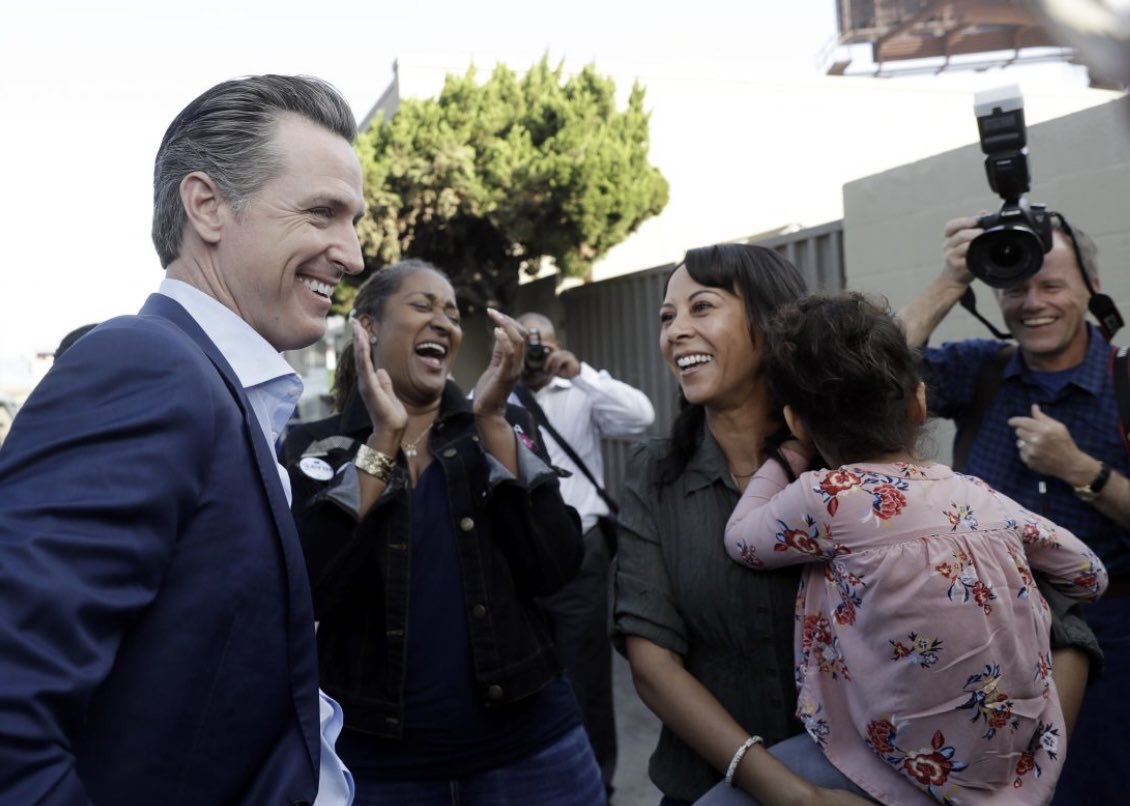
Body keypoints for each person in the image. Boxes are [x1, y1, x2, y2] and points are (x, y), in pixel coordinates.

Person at [0, 74, 364, 804]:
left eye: (354, 221)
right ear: (207, 206)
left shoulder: (216, 385)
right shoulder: (146, 365)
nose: (352, 254)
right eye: (322, 214)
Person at [698, 291, 1108, 805]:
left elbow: (743, 540)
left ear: (799, 422)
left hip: (899, 770)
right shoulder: (978, 496)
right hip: (1018, 769)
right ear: (919, 403)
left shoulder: (825, 496)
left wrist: (786, 457)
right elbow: (1090, 574)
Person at [282, 259, 606, 805]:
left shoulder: (501, 426)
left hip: (533, 753)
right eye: (423, 306)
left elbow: (556, 565)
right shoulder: (314, 449)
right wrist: (383, 441)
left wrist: (496, 421)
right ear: (368, 326)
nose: (445, 323)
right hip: (380, 770)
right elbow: (308, 588)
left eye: (453, 314)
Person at [613, 243, 868, 806]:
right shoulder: (656, 473)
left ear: (773, 323)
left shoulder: (853, 458)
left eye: (701, 308)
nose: (676, 331)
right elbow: (652, 661)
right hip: (707, 790)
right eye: (667, 316)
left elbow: (1048, 626)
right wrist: (791, 794)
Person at [898, 215, 1130, 803]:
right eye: (1016, 288)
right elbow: (870, 377)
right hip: (987, 641)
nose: (1033, 303)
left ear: (1092, 287)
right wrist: (951, 281)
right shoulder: (984, 369)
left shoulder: (1124, 381)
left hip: (1114, 645)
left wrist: (1081, 471)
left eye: (1052, 285)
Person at [514, 310, 656, 792]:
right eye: (526, 343)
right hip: (517, 559)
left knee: (586, 677)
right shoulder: (492, 395)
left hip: (581, 552)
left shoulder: (579, 391)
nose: (535, 353)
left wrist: (580, 373)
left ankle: (598, 784)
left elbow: (641, 417)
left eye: (543, 344)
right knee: (525, 674)